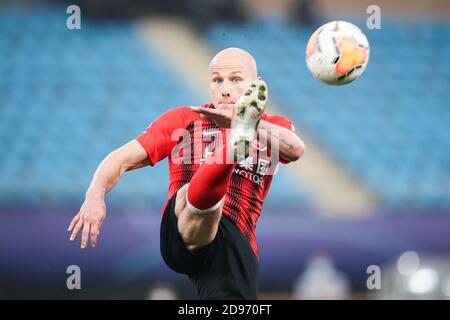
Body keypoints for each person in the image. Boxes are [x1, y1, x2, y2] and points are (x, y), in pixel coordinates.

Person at [67, 47, 305, 299]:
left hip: (234, 241)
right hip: (181, 228)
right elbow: (119, 160)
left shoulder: (272, 127)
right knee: (196, 198)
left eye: (236, 79)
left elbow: (296, 148)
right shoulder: (184, 119)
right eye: (217, 80)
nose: (225, 89)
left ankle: (232, 148)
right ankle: (230, 153)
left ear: (256, 85)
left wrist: (250, 125)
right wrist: (95, 195)